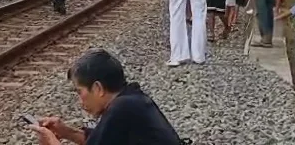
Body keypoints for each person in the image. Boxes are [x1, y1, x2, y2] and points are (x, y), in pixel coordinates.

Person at [28, 49, 183, 145]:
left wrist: (50, 141)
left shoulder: (121, 108)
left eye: (79, 92)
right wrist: (67, 132)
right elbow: (103, 139)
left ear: (98, 88)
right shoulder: (131, 98)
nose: (80, 101)